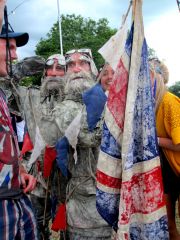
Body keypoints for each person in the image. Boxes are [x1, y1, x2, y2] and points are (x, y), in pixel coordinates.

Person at [53, 49, 112, 239]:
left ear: (93, 68)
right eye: (70, 65)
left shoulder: (109, 101)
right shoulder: (64, 108)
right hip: (81, 204)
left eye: (83, 63)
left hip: (111, 198)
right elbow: (88, 138)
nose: (77, 69)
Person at [17, 53, 66, 240]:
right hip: (37, 174)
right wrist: (27, 66)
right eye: (49, 68)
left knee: (67, 226)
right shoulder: (30, 95)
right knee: (37, 224)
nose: (54, 73)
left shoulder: (76, 100)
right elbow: (4, 83)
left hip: (66, 176)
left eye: (60, 68)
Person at [0, 22, 38, 239]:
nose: (15, 56)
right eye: (10, 47)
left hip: (16, 201)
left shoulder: (2, 96)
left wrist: (20, 171)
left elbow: (7, 141)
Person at [150, 58, 180, 240]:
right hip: (163, 171)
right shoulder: (152, 103)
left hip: (175, 170)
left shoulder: (169, 101)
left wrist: (155, 139)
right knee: (167, 224)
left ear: (159, 78)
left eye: (149, 76)